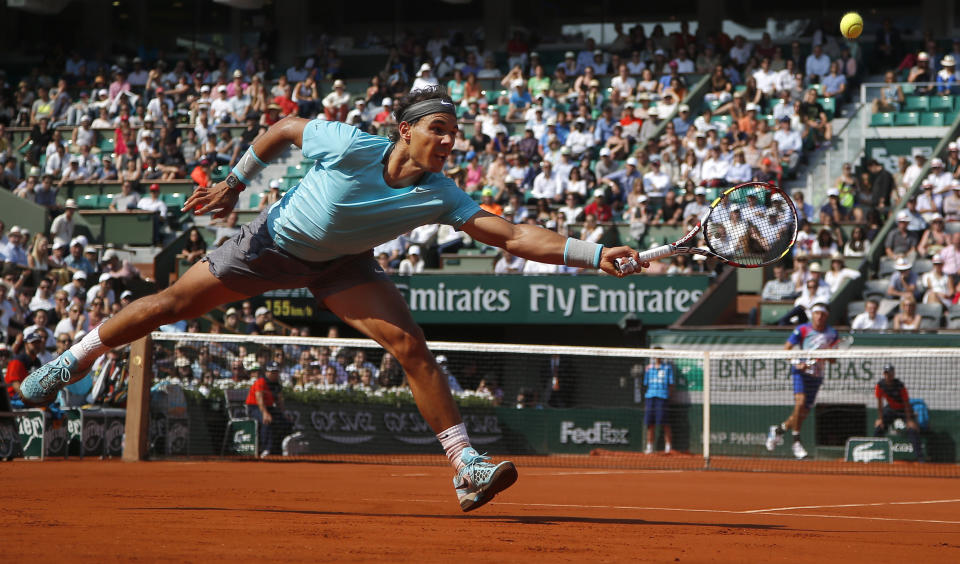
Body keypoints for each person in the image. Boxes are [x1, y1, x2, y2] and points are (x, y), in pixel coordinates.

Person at [19, 86, 643, 512]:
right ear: (406, 131)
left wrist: (593, 252)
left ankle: (467, 465)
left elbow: (509, 235)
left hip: (342, 266)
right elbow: (283, 128)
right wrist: (235, 185)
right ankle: (71, 360)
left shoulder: (442, 193)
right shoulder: (348, 144)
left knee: (410, 345)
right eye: (439, 131)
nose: (450, 142)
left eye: (455, 134)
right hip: (269, 246)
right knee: (167, 307)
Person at [766, 303, 838, 459]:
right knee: (800, 403)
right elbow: (786, 350)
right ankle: (796, 441)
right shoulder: (803, 330)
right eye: (816, 313)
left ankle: (779, 430)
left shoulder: (832, 333)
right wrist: (797, 363)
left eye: (822, 314)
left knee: (803, 413)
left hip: (817, 376)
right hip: (800, 372)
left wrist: (827, 355)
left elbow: (834, 360)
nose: (819, 317)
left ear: (826, 316)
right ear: (812, 315)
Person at [874, 364, 925, 461]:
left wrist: (909, 419)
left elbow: (906, 403)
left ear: (893, 374)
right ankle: (876, 454)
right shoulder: (880, 385)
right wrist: (880, 419)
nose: (888, 375)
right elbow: (880, 403)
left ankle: (920, 458)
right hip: (890, 410)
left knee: (912, 430)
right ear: (883, 374)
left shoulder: (900, 386)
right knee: (878, 428)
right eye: (886, 373)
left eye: (890, 373)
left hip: (903, 410)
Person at [244, 360, 292, 457]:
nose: (274, 374)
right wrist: (265, 413)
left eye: (276, 372)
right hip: (254, 408)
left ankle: (279, 448)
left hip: (269, 407)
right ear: (266, 372)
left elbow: (279, 401)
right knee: (267, 421)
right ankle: (266, 449)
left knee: (285, 422)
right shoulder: (260, 382)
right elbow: (259, 399)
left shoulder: (276, 384)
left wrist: (284, 413)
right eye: (272, 372)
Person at [643, 352, 674, 454]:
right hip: (650, 397)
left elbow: (671, 384)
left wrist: (668, 396)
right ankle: (649, 446)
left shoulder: (668, 368)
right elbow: (645, 383)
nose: (657, 357)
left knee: (665, 423)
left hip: (663, 397)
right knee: (650, 424)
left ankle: (668, 447)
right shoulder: (648, 368)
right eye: (655, 354)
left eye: (659, 354)